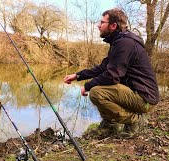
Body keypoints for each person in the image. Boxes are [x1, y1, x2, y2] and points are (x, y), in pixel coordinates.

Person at [64, 8, 159, 137]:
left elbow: (112, 76)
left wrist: (87, 86)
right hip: (137, 94)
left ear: (113, 25)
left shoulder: (125, 43)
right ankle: (110, 125)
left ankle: (135, 121)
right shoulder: (119, 41)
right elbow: (103, 67)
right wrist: (78, 75)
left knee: (97, 92)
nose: (98, 25)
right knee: (102, 88)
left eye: (102, 22)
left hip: (143, 99)